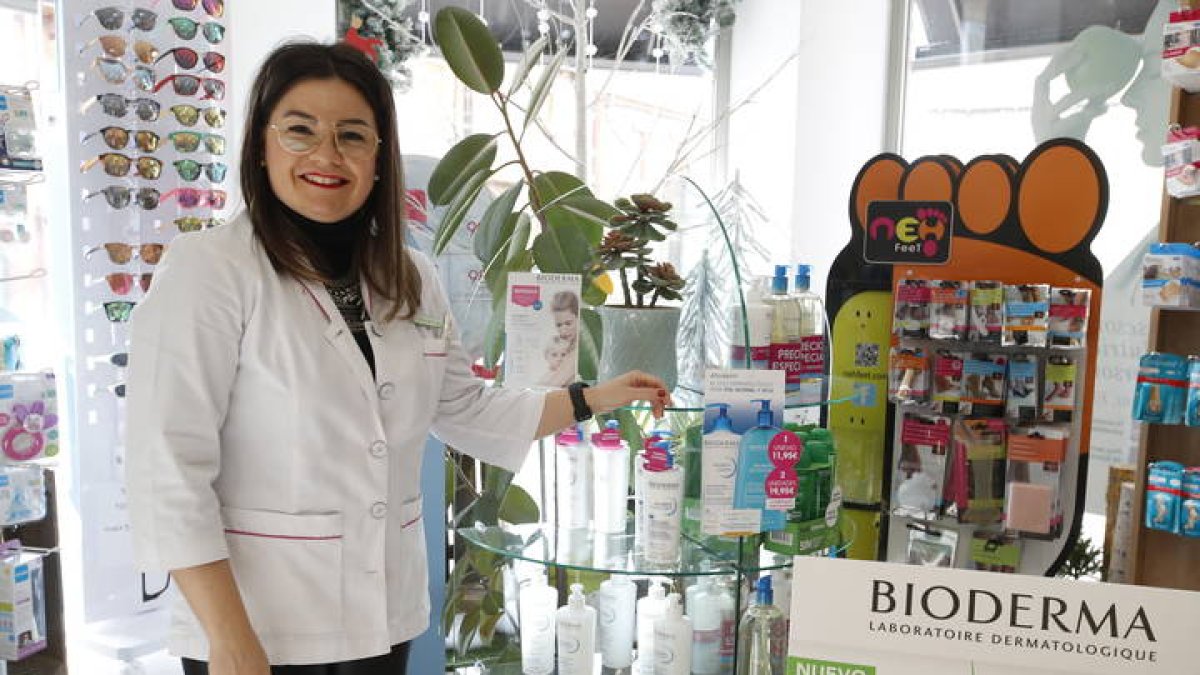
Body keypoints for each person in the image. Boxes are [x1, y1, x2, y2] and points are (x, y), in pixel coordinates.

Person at [125, 42, 671, 675]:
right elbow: (167, 469)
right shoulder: (210, 272)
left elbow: (463, 407)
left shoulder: (409, 274)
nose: (327, 154)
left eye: (352, 135)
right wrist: (228, 637)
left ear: (379, 157)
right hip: (260, 626)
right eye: (301, 130)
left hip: (382, 610)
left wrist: (593, 398)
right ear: (261, 145)